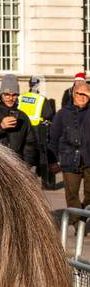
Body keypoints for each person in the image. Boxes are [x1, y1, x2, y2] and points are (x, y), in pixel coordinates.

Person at [51, 80, 90, 212]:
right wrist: (54, 160)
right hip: (69, 159)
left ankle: (84, 215)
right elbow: (53, 138)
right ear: (73, 94)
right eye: (79, 93)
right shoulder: (62, 113)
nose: (82, 97)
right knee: (72, 195)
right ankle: (78, 221)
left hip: (89, 159)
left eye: (86, 95)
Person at [18, 75, 56, 189]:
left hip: (23, 130)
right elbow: (48, 114)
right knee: (43, 157)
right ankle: (46, 183)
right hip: (38, 131)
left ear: (29, 84)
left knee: (24, 156)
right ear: (38, 85)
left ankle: (23, 182)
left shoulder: (21, 97)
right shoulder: (41, 99)